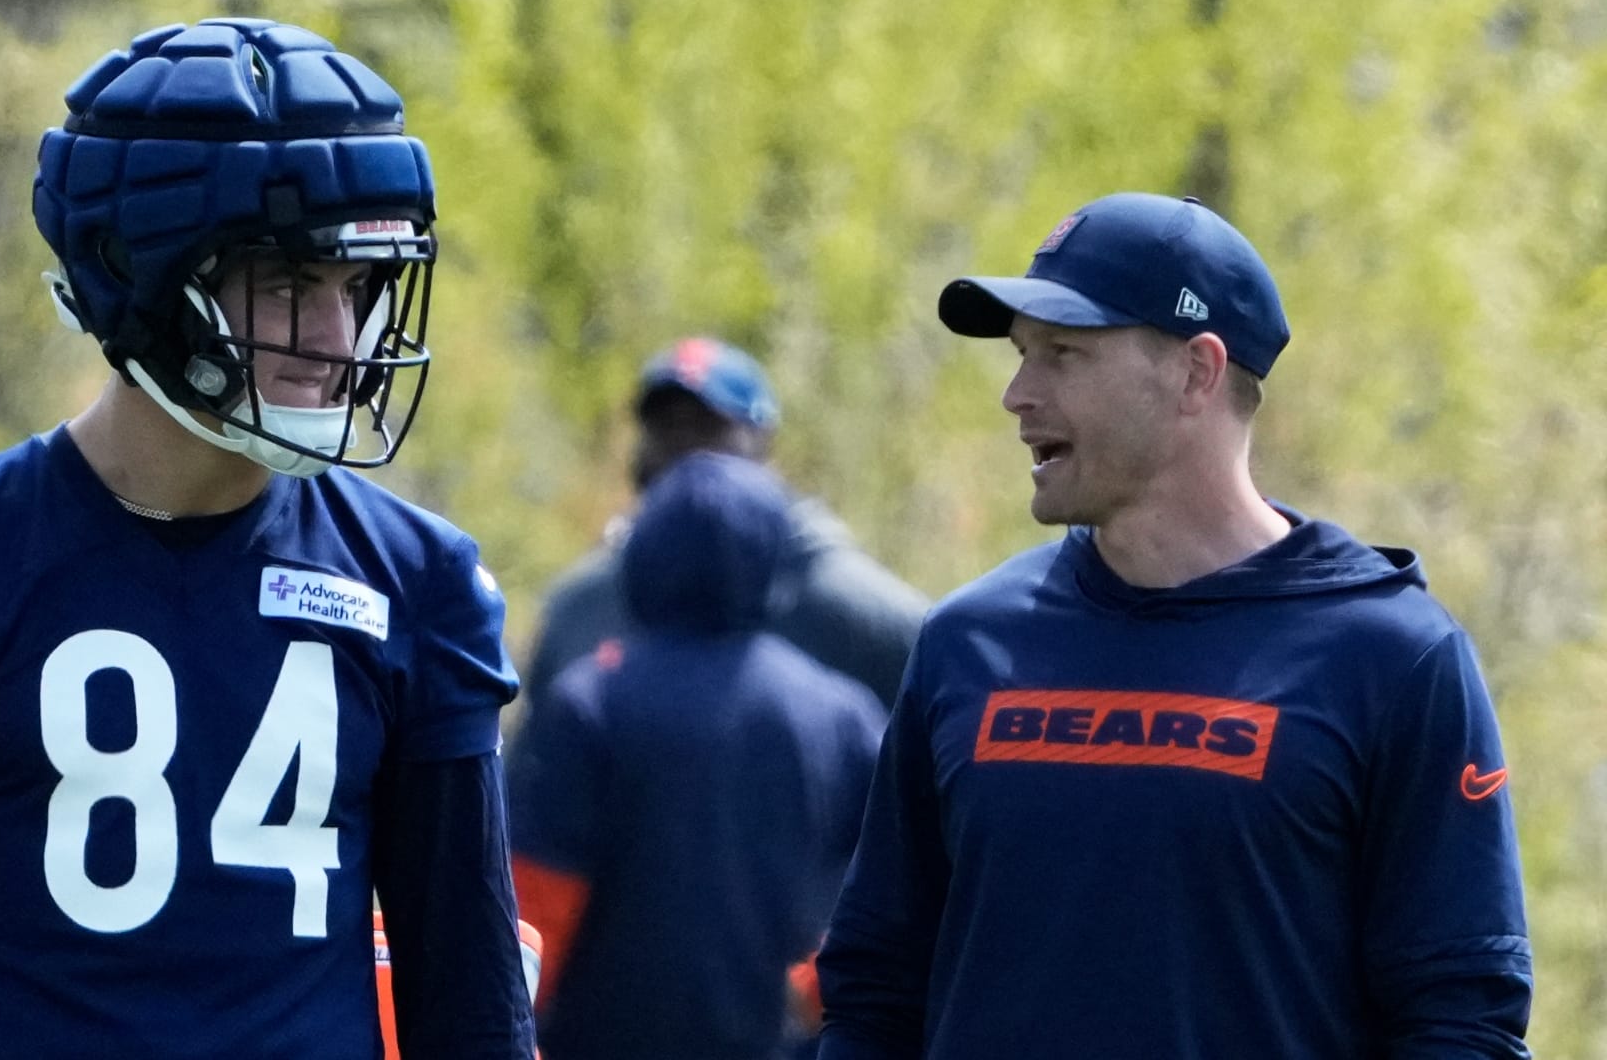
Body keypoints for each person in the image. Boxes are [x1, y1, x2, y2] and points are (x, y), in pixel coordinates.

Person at [0, 19, 533, 1060]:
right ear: (146, 274)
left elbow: (474, 1017)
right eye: (292, 286)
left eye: (358, 290)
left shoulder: (416, 582)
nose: (343, 344)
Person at [815, 192, 1533, 1059]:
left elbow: (1461, 1025)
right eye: (1019, 356)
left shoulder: (1394, 658)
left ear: (1196, 371)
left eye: (1063, 355)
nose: (1016, 395)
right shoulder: (966, 643)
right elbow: (875, 991)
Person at [509, 451, 886, 1060]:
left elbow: (535, 910)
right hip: (779, 1044)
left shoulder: (593, 700)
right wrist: (820, 987)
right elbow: (910, 881)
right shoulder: (841, 714)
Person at [523, 337, 928, 717]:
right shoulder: (584, 604)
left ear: (762, 441)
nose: (685, 450)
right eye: (667, 428)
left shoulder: (838, 595)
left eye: (706, 427)